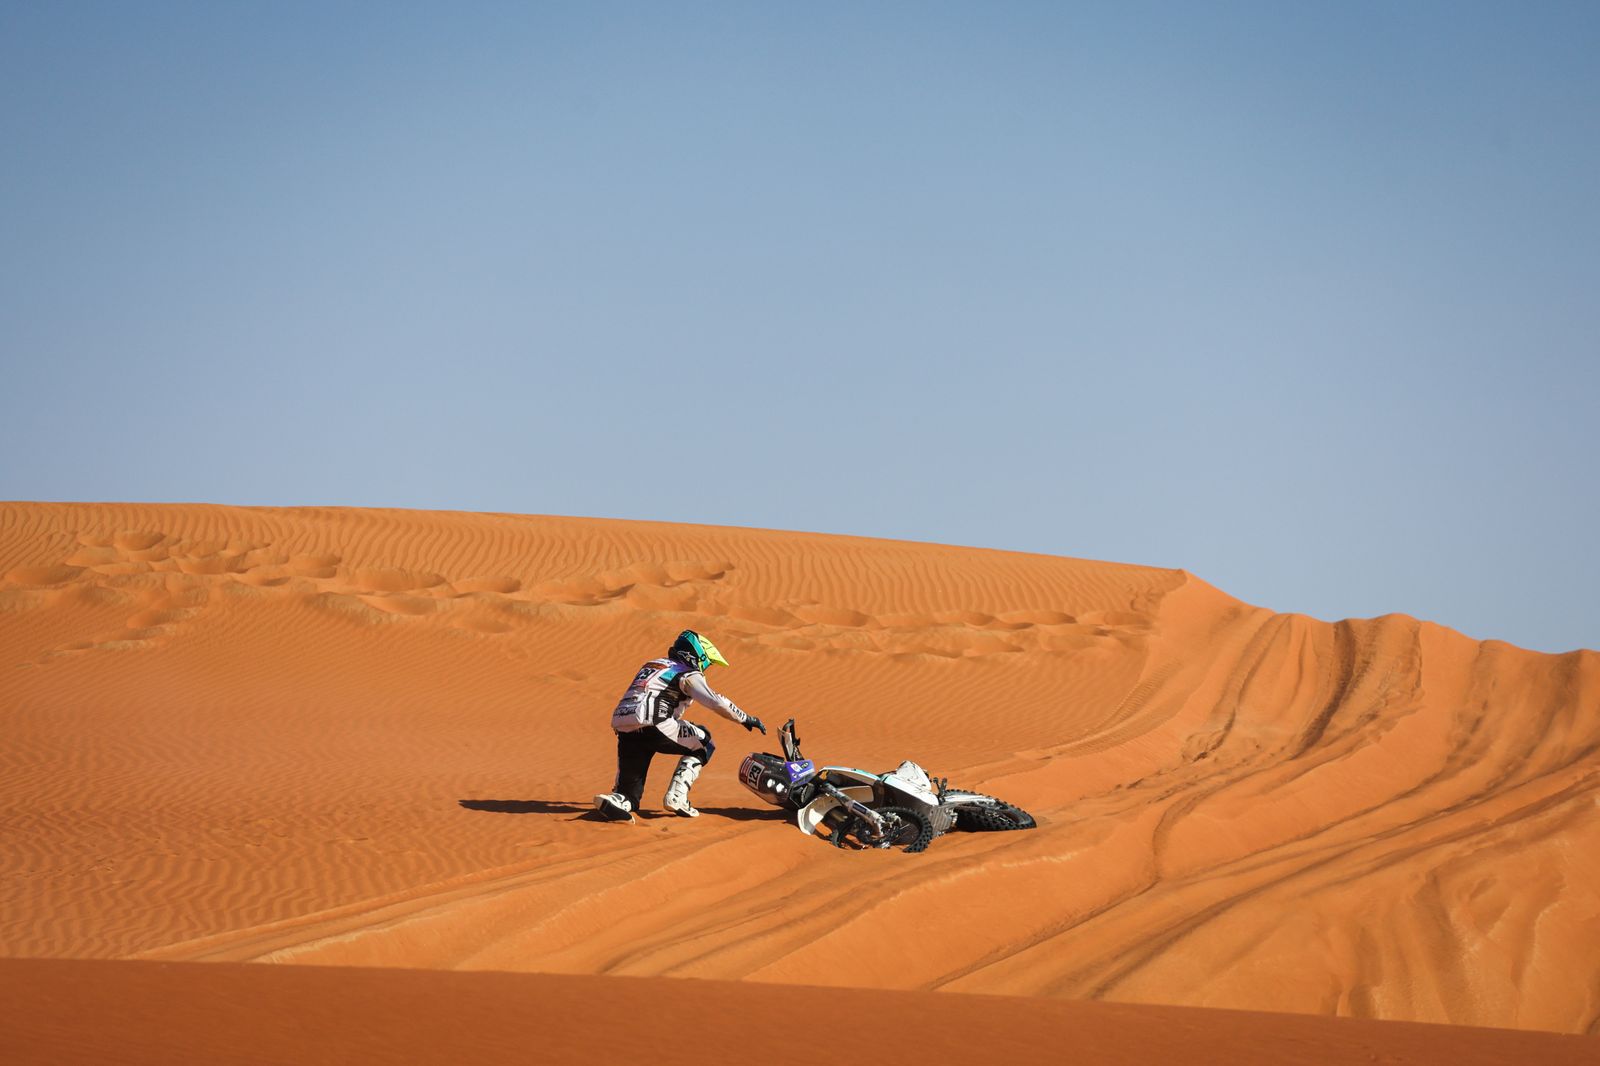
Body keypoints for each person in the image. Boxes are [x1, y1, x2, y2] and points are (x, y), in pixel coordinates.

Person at [594, 630, 766, 822]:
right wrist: (745, 718)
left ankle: (617, 800)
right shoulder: (686, 672)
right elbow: (715, 701)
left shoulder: (653, 665)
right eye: (706, 662)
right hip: (655, 723)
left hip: (624, 724)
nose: (705, 668)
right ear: (696, 655)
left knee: (629, 794)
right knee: (704, 742)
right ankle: (677, 797)